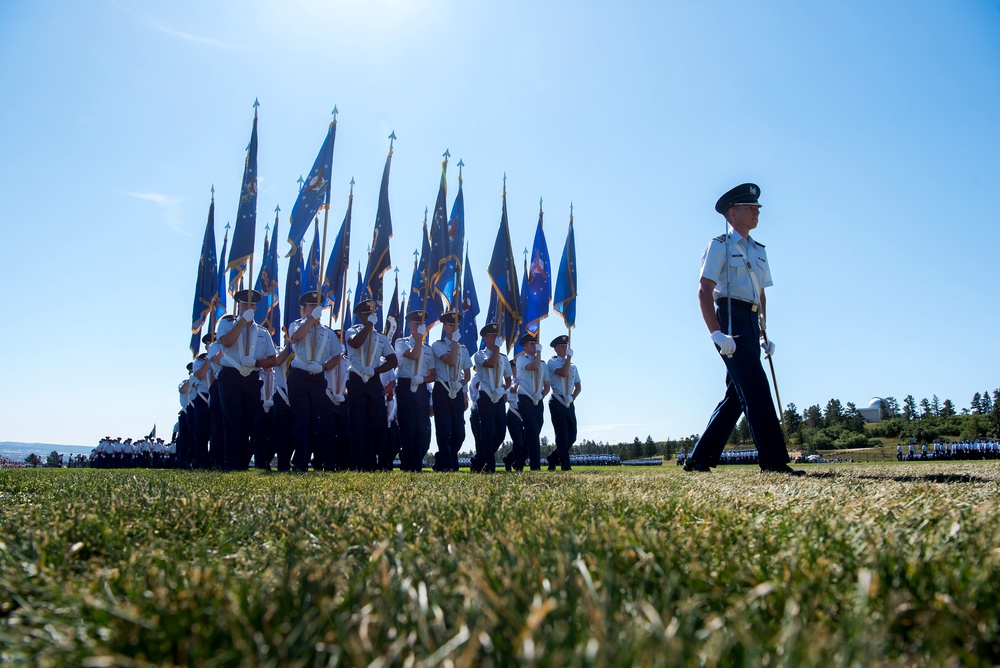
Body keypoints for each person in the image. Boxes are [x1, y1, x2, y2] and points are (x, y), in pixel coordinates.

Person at [686, 183, 803, 476]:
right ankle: (774, 461)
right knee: (756, 389)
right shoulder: (719, 246)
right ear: (731, 213)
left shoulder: (758, 250)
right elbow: (704, 290)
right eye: (750, 208)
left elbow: (760, 294)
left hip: (751, 321)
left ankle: (700, 458)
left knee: (736, 396)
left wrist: (764, 332)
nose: (756, 212)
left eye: (757, 208)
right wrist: (715, 333)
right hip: (729, 320)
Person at [215, 289, 279, 471]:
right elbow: (226, 342)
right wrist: (243, 320)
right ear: (239, 305)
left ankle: (242, 463)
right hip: (230, 376)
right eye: (245, 304)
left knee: (250, 423)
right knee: (232, 420)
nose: (249, 307)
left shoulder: (262, 332)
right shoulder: (227, 323)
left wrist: (257, 362)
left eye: (252, 304)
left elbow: (273, 359)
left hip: (251, 377)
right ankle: (232, 464)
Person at [287, 292, 344, 472]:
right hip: (299, 376)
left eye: (317, 305)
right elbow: (296, 337)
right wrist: (311, 319)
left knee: (315, 421)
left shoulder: (327, 332)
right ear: (304, 308)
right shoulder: (297, 325)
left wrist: (325, 367)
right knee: (301, 419)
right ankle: (300, 462)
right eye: (311, 305)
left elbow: (337, 355)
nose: (315, 308)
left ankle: (312, 459)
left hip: (317, 377)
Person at [345, 300, 398, 471]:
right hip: (356, 378)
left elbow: (393, 360)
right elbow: (355, 343)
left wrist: (376, 371)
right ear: (359, 316)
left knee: (378, 422)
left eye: (372, 314)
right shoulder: (353, 331)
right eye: (366, 314)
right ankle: (358, 463)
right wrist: (368, 325)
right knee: (357, 422)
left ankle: (378, 462)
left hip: (373, 379)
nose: (369, 316)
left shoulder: (381, 337)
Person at [393, 310, 435, 472]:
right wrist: (418, 340)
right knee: (407, 426)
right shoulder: (401, 342)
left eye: (422, 323)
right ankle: (408, 463)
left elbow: (433, 374)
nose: (419, 325)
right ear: (409, 324)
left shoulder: (429, 349)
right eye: (416, 322)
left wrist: (423, 380)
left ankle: (417, 463)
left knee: (421, 426)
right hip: (405, 385)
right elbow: (414, 355)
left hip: (421, 387)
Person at [431, 311, 473, 472]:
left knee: (459, 431)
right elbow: (450, 360)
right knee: (443, 428)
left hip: (456, 389)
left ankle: (443, 458)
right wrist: (454, 342)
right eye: (450, 324)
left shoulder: (464, 349)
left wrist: (461, 384)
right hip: (442, 388)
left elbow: (468, 374)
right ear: (444, 327)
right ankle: (448, 464)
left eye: (455, 325)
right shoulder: (438, 345)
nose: (453, 327)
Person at [472, 323, 512, 473]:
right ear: (485, 338)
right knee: (487, 433)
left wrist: (503, 388)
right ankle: (489, 466)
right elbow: (491, 363)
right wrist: (496, 348)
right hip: (486, 395)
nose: (495, 338)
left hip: (499, 396)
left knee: (501, 433)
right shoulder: (480, 354)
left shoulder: (504, 358)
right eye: (491, 335)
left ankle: (479, 460)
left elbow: (508, 379)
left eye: (496, 335)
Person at [514, 333, 551, 471]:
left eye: (536, 343)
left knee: (533, 432)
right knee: (533, 430)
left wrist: (541, 394)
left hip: (537, 399)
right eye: (531, 344)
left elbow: (547, 385)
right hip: (525, 398)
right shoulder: (521, 360)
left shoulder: (543, 363)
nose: (535, 346)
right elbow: (534, 367)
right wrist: (539, 352)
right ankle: (535, 466)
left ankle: (519, 462)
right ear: (525, 346)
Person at [546, 335, 581, 471]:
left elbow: (578, 386)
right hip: (557, 400)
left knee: (572, 436)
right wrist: (569, 358)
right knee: (562, 435)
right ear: (555, 349)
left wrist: (572, 397)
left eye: (565, 346)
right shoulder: (552, 362)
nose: (564, 348)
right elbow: (563, 373)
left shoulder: (573, 367)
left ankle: (553, 457)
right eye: (561, 346)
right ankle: (566, 466)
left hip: (568, 402)